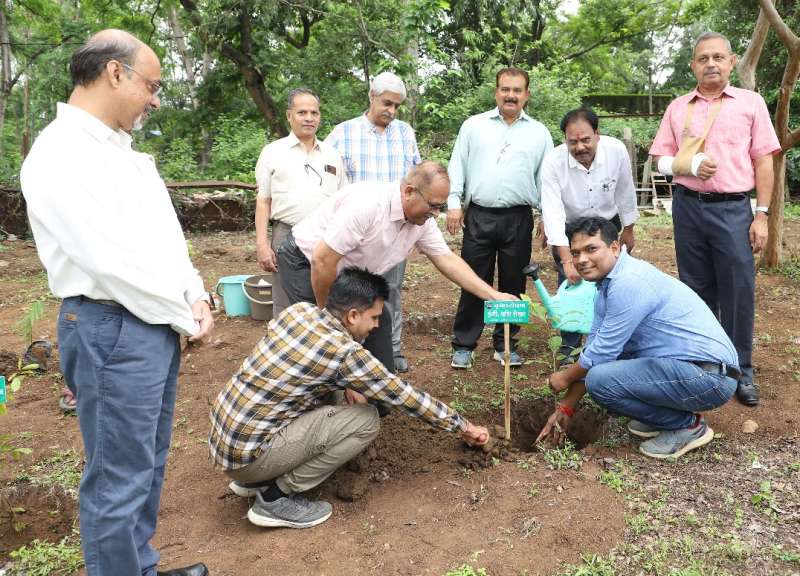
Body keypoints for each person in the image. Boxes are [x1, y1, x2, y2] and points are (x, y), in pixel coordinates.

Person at [21, 30, 213, 576]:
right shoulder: (60, 153)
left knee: (146, 462)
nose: (155, 99)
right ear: (114, 72)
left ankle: (140, 566)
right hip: (112, 323)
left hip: (150, 321)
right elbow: (108, 260)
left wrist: (194, 293)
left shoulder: (120, 152)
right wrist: (180, 314)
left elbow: (163, 236)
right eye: (151, 85)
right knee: (117, 478)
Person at [209, 268, 490, 528]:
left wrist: (346, 383)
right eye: (375, 317)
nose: (377, 325)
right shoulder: (344, 352)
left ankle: (257, 480)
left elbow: (301, 371)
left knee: (327, 393)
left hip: (227, 444)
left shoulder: (300, 312)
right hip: (250, 459)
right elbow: (405, 396)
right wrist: (463, 426)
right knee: (366, 420)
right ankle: (275, 497)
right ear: (353, 315)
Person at [277, 161, 517, 376]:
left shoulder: (422, 221)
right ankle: (327, 397)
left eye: (441, 207)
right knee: (322, 341)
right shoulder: (367, 205)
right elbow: (322, 261)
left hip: (349, 275)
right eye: (433, 206)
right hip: (306, 262)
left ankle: (377, 388)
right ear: (409, 192)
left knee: (377, 328)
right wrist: (327, 317)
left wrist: (492, 295)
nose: (436, 214)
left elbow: (446, 259)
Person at [649, 31, 781, 407]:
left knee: (738, 290)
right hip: (687, 208)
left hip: (732, 209)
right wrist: (688, 165)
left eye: (718, 57)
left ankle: (741, 370)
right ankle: (706, 362)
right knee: (695, 288)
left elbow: (764, 161)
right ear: (693, 65)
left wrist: (762, 215)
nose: (711, 64)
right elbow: (659, 160)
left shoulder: (751, 104)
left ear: (731, 62)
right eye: (703, 58)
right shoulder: (678, 108)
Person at [536, 217, 738, 459]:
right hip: (691, 368)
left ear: (614, 247)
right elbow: (594, 350)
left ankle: (686, 426)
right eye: (576, 253)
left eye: (591, 249)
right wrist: (566, 407)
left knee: (600, 381)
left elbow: (602, 354)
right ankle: (664, 418)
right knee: (604, 368)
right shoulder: (606, 288)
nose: (581, 260)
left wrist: (565, 377)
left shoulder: (628, 282)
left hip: (710, 378)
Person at [446, 67, 553, 370]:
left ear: (526, 95)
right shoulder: (473, 126)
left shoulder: (540, 133)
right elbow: (457, 166)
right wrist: (453, 203)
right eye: (505, 89)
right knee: (473, 278)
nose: (511, 95)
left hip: (518, 217)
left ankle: (505, 344)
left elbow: (547, 179)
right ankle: (464, 344)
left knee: (514, 281)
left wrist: (547, 215)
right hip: (479, 215)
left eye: (517, 90)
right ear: (496, 92)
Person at [325, 72, 422, 373]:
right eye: (387, 103)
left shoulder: (405, 133)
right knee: (349, 291)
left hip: (394, 228)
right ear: (371, 96)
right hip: (354, 230)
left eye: (397, 106)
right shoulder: (343, 133)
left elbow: (416, 178)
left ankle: (390, 351)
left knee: (390, 290)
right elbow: (328, 181)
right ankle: (347, 352)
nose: (391, 111)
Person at [540, 107, 638, 361]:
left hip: (607, 222)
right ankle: (568, 350)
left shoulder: (616, 151)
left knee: (613, 280)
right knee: (571, 282)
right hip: (571, 226)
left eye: (585, 140)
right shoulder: (553, 162)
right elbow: (552, 212)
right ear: (565, 140)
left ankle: (610, 343)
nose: (580, 147)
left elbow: (625, 190)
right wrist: (566, 261)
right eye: (573, 142)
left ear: (597, 134)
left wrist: (628, 229)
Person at [254, 88, 347, 316]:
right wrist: (262, 245)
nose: (309, 118)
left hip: (325, 237)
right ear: (289, 116)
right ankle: (285, 340)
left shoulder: (332, 154)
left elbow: (343, 201)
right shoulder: (272, 152)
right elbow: (263, 201)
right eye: (302, 112)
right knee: (286, 303)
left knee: (326, 298)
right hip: (286, 234)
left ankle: (323, 339)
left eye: (314, 113)